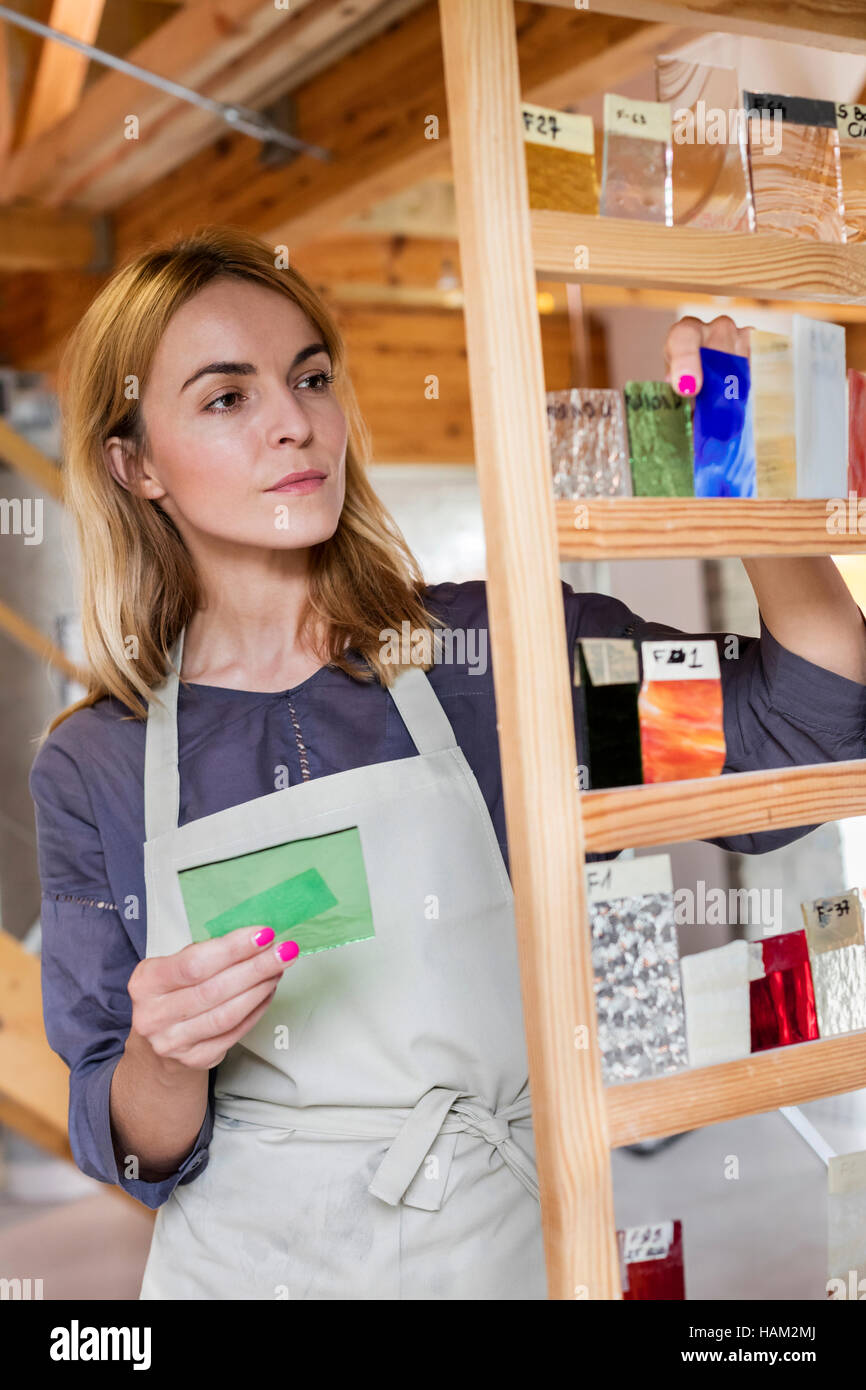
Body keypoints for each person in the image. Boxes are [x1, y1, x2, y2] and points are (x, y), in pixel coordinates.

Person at [28, 226, 866, 1301]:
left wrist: (749, 468)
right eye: (227, 398)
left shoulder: (500, 654)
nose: (295, 421)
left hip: (500, 1251)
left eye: (311, 377)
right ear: (133, 462)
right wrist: (167, 1055)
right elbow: (131, 1144)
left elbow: (809, 717)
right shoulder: (95, 760)